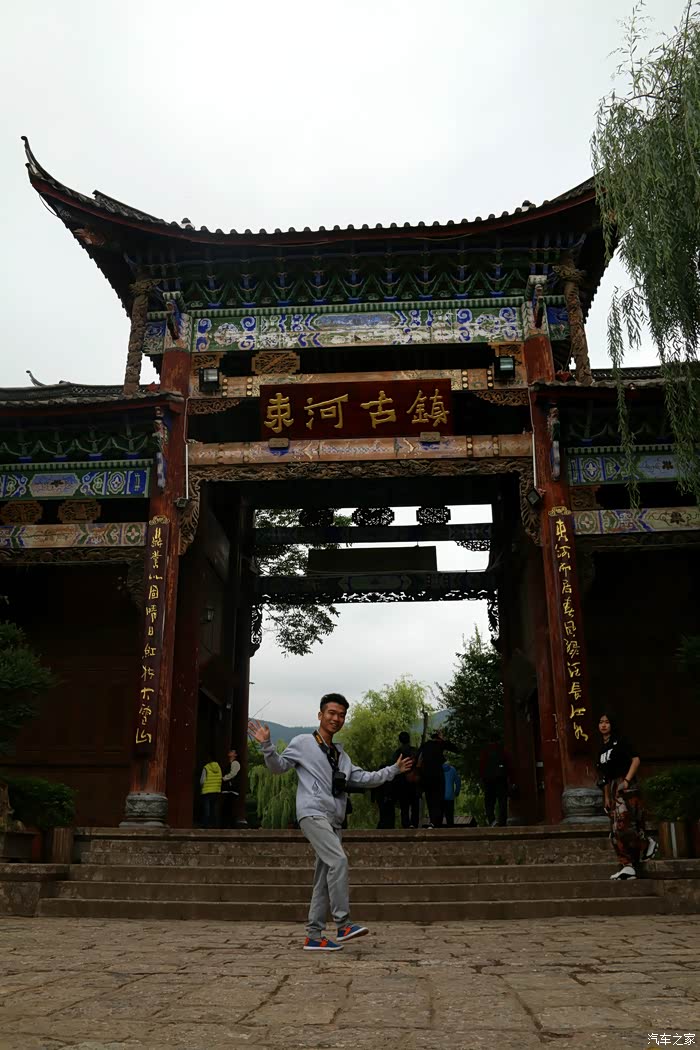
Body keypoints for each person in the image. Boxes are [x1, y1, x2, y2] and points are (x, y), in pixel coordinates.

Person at [248, 692, 413, 952]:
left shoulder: (341, 757)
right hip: (312, 813)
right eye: (332, 713)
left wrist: (394, 770)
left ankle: (314, 936)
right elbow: (278, 767)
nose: (336, 718)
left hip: (333, 821)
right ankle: (343, 923)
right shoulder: (303, 742)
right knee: (339, 860)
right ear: (320, 715)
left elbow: (366, 778)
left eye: (342, 715)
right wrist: (267, 746)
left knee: (324, 878)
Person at [596, 711, 657, 879]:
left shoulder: (620, 741)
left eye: (607, 722)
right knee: (614, 831)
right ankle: (627, 866)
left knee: (624, 825)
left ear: (612, 724)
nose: (603, 725)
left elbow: (636, 760)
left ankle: (646, 843)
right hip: (612, 788)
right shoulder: (601, 750)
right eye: (601, 722)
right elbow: (604, 777)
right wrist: (606, 797)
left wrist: (627, 781)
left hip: (625, 785)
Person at [417, 729, 459, 828]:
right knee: (439, 798)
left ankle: (433, 821)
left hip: (426, 776)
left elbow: (418, 759)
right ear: (439, 738)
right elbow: (454, 748)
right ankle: (437, 821)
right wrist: (444, 739)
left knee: (430, 799)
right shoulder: (440, 744)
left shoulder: (425, 746)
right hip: (437, 775)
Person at [479, 732, 512, 827]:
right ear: (498, 740)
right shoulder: (503, 750)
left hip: (488, 780)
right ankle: (502, 822)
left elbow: (481, 766)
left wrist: (482, 779)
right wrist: (510, 779)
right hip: (501, 778)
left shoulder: (485, 751)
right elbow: (509, 766)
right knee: (502, 801)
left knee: (489, 801)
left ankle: (492, 821)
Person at [391, 731, 419, 829]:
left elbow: (394, 767)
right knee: (415, 805)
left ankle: (406, 824)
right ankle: (414, 823)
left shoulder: (398, 753)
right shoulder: (415, 751)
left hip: (402, 783)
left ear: (400, 740)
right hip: (414, 781)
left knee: (404, 806)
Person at [199, 753, 222, 828]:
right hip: (216, 790)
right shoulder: (219, 767)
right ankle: (215, 824)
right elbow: (220, 778)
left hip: (207, 791)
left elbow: (202, 780)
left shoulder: (206, 767)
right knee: (214, 808)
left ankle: (206, 824)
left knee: (207, 809)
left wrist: (201, 787)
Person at [221, 748, 240, 827]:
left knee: (230, 808)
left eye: (232, 752)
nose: (230, 752)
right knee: (226, 808)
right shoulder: (230, 763)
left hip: (232, 789)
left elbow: (233, 774)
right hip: (228, 789)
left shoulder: (235, 763)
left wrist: (224, 778)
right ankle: (226, 824)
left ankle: (231, 825)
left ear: (235, 755)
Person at [442, 761, 461, 826]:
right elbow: (458, 781)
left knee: (438, 818)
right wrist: (457, 792)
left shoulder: (438, 770)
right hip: (450, 796)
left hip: (440, 796)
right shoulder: (453, 769)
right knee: (450, 818)